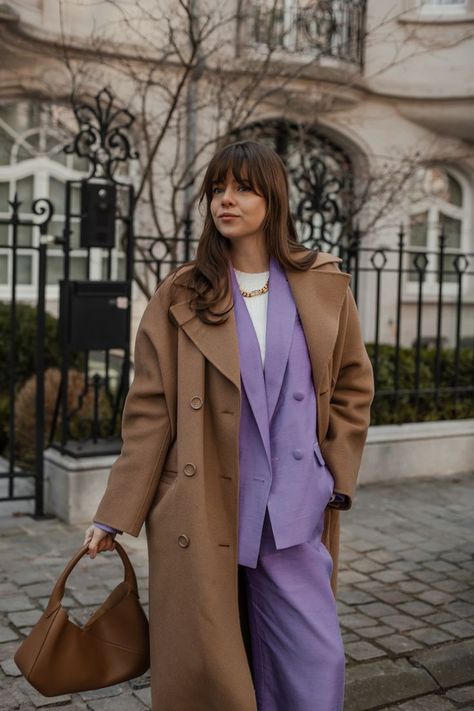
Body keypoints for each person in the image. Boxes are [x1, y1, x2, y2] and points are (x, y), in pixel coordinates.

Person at [84, 140, 374, 711]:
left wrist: (333, 477)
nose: (226, 200)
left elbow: (352, 386)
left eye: (242, 188)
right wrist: (114, 513)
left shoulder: (321, 283)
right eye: (218, 188)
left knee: (317, 657)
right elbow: (149, 410)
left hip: (292, 506)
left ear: (274, 198)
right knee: (212, 662)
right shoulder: (182, 292)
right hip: (203, 503)